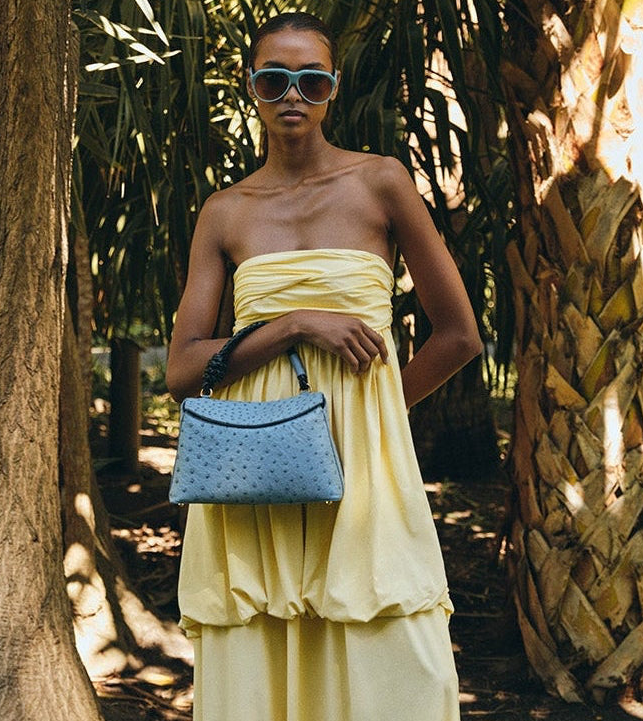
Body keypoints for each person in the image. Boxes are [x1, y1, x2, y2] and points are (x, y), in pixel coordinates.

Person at [165, 11, 484, 721]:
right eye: (275, 79)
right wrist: (292, 326)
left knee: (396, 642)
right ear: (252, 87)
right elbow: (182, 368)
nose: (293, 95)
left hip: (364, 458)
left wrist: (377, 414)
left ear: (332, 87)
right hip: (256, 466)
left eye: (311, 80)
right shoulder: (225, 211)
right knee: (262, 640)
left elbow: (458, 334)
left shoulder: (381, 183)